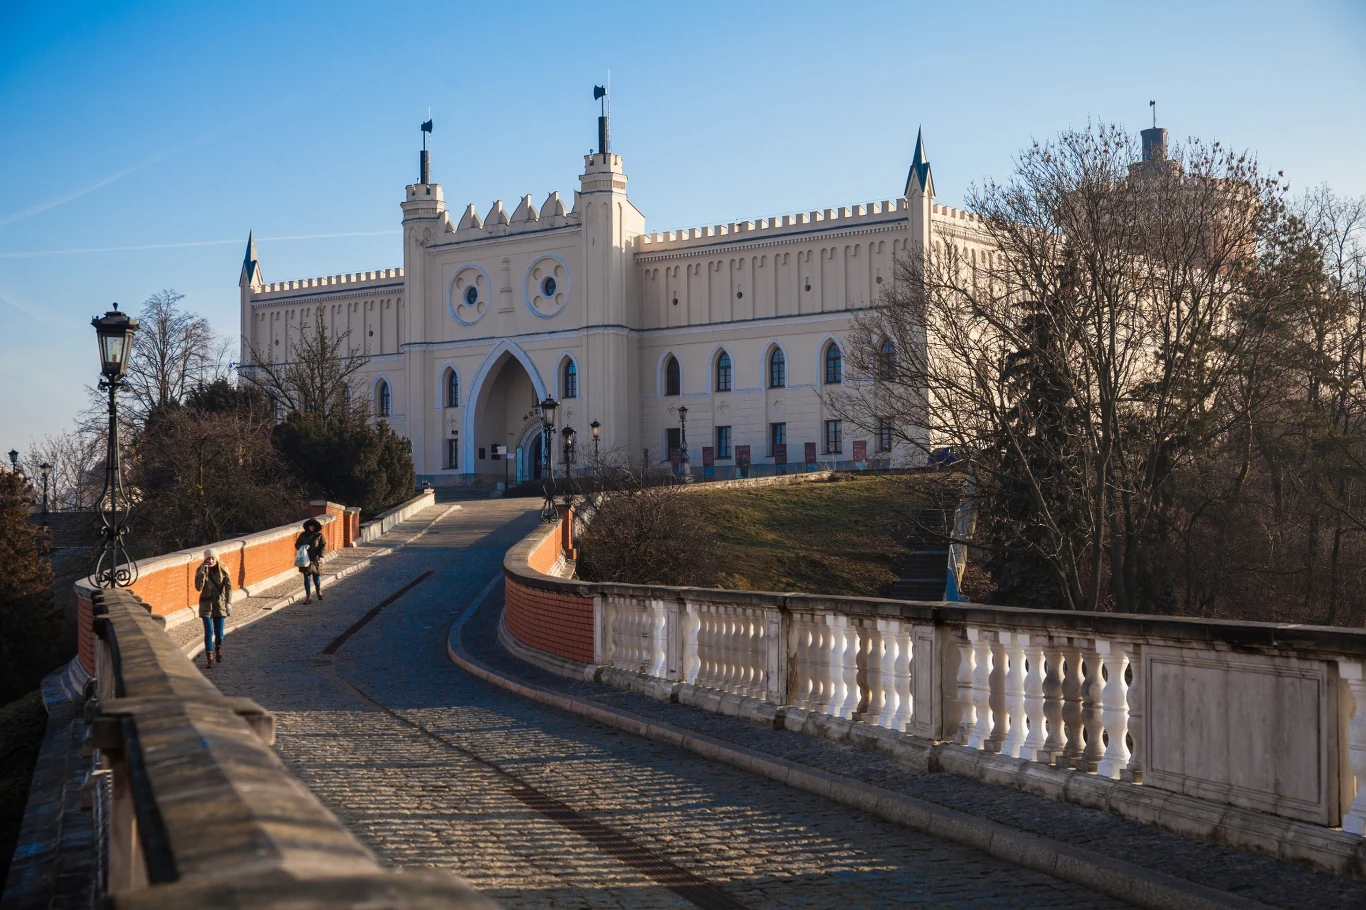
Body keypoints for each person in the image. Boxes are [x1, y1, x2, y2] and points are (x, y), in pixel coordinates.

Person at [194, 548, 232, 669]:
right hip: (206, 606)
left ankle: (218, 649)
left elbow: (229, 588)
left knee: (219, 634)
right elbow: (198, 588)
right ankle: (209, 658)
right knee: (209, 632)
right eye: (208, 559)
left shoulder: (223, 571)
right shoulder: (200, 570)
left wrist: (229, 603)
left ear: (216, 558)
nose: (210, 561)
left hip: (219, 605)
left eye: (212, 558)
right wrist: (202, 573)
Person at [295, 518, 327, 603]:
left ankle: (318, 589)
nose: (312, 527)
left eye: (313, 526)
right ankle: (308, 597)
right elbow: (297, 544)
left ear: (316, 527)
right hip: (305, 559)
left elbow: (323, 546)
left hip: (315, 559)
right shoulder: (303, 535)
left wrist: (321, 555)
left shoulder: (319, 535)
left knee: (316, 577)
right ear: (307, 526)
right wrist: (302, 547)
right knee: (306, 578)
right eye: (310, 526)